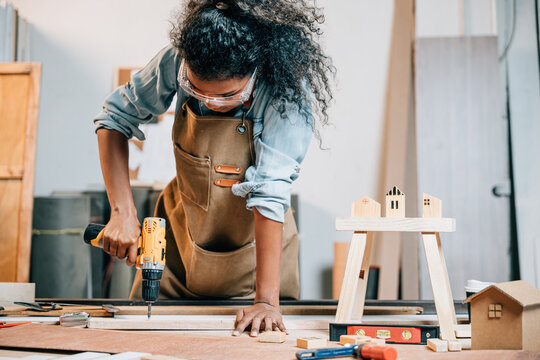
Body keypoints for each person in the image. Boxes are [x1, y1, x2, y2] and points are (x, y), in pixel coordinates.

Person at [93, 0, 334, 337]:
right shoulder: (177, 61)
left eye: (227, 95)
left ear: (257, 72)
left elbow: (270, 192)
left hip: (254, 265)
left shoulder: (285, 94)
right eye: (195, 90)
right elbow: (114, 120)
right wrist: (122, 211)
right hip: (178, 253)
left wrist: (265, 301)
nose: (209, 103)